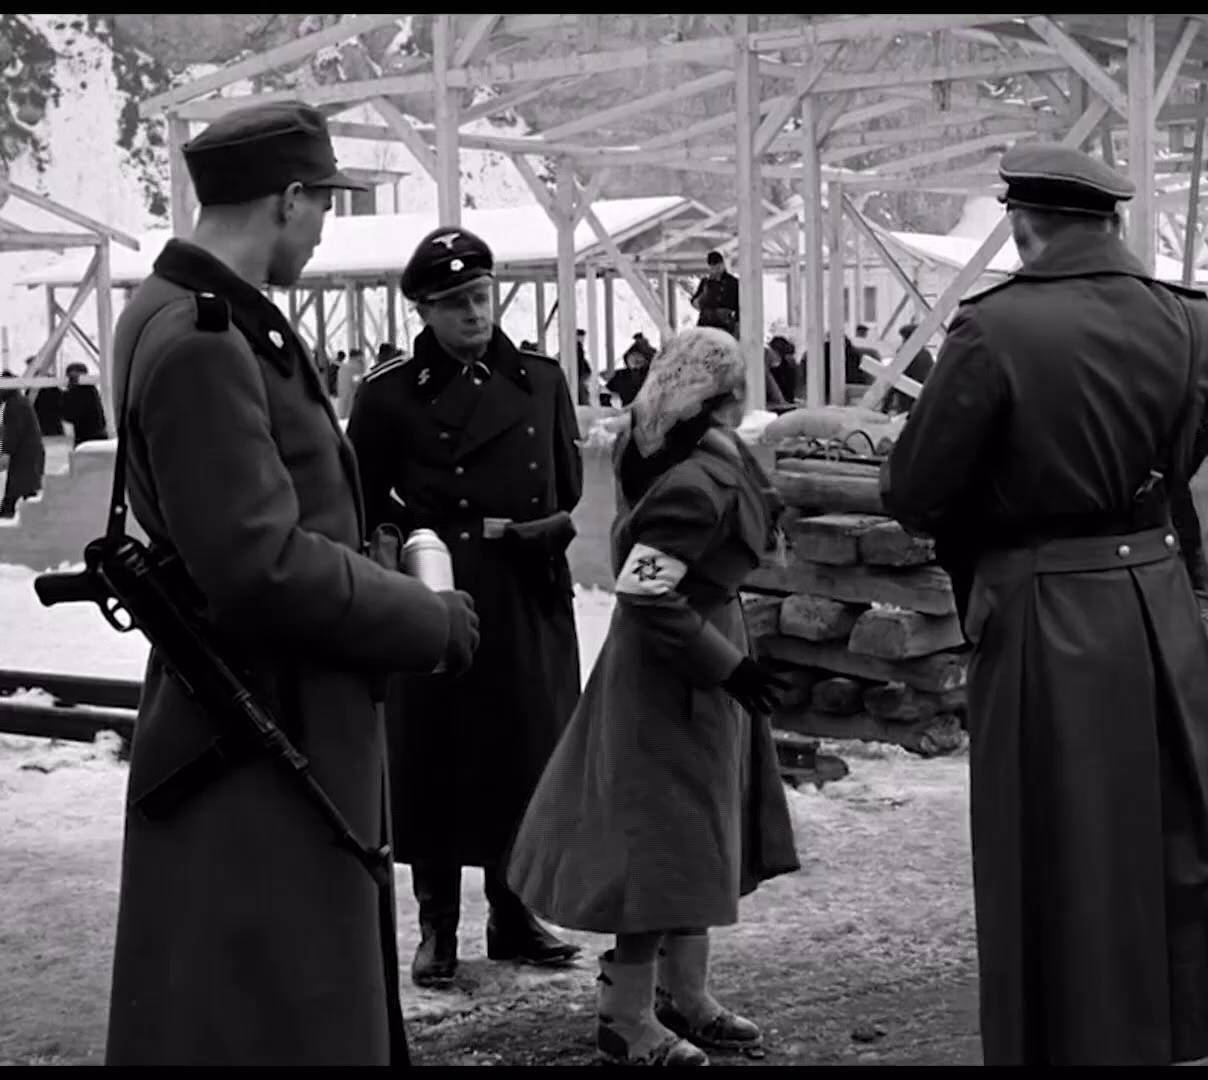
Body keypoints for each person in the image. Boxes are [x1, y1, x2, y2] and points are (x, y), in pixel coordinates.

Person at [100, 101, 480, 1066]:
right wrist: (423, 618)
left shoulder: (183, 313)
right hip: (267, 734)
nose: (323, 230)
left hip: (266, 720)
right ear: (289, 198)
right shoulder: (202, 338)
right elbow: (258, 564)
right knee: (279, 1014)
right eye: (323, 207)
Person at [879, 142, 1208, 1066]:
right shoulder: (1195, 319)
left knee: (1052, 843)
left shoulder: (993, 329)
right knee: (1170, 831)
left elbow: (917, 490)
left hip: (1044, 603)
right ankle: (1168, 1029)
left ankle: (1064, 1039)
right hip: (1160, 596)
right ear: (1113, 221)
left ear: (1022, 224)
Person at [507, 327, 799, 1067]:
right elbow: (645, 592)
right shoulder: (699, 484)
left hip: (692, 665)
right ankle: (627, 1017)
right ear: (727, 398)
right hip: (673, 676)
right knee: (658, 841)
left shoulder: (690, 460)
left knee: (696, 834)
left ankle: (682, 994)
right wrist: (727, 666)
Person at [346, 226, 586, 987]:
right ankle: (437, 927)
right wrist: (406, 556)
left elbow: (568, 478)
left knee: (526, 752)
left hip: (525, 588)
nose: (474, 314)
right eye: (454, 304)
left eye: (480, 296)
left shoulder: (541, 378)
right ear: (422, 311)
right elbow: (360, 500)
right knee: (438, 758)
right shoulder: (389, 393)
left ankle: (515, 914)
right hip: (439, 588)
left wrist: (543, 531)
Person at [1, 373, 45, 519]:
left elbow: (13, 432)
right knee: (26, 489)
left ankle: (8, 513)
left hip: (24, 455)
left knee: (19, 489)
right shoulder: (20, 402)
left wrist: (6, 452)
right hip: (30, 453)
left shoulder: (15, 405)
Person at [692, 251, 740, 338]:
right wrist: (699, 300)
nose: (715, 270)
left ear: (723, 265)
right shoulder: (705, 282)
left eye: (717, 267)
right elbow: (695, 301)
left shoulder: (733, 283)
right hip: (705, 324)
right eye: (712, 268)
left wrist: (737, 326)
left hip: (725, 325)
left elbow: (738, 306)